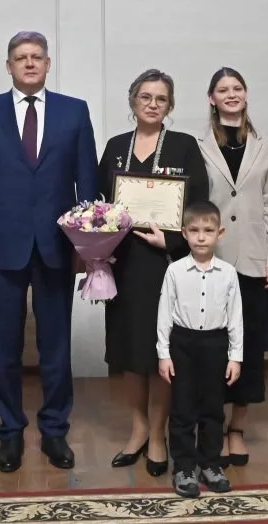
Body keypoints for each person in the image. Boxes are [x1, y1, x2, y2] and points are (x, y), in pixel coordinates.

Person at [0, 31, 98, 473]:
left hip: (57, 247)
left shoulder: (74, 111)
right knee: (5, 348)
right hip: (2, 247)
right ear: (8, 66)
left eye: (36, 57)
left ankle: (55, 430)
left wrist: (87, 246)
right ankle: (10, 432)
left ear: (47, 64)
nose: (29, 63)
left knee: (55, 346)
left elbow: (87, 185)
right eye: (20, 57)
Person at [96, 69, 208, 477]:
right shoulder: (115, 147)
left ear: (170, 105)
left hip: (166, 265)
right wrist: (96, 247)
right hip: (124, 265)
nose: (153, 104)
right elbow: (98, 204)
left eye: (161, 98)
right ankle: (139, 428)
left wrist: (172, 241)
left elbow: (199, 204)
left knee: (162, 351)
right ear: (133, 101)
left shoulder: (184, 146)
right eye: (145, 97)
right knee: (129, 351)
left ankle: (159, 434)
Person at [195, 67, 268, 466]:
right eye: (223, 89)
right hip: (211, 259)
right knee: (211, 347)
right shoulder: (198, 145)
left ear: (246, 94)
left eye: (237, 88)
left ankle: (237, 429)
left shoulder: (264, 145)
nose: (231, 94)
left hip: (254, 260)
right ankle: (210, 426)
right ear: (211, 98)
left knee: (248, 344)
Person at [157, 200, 242, 499]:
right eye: (194, 231)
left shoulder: (228, 273)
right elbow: (164, 315)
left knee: (213, 408)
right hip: (183, 344)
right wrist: (164, 354)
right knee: (182, 409)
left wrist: (235, 357)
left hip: (216, 345)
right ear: (184, 233)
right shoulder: (175, 271)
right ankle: (183, 467)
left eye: (208, 230)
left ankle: (210, 463)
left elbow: (235, 317)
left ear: (220, 233)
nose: (201, 237)